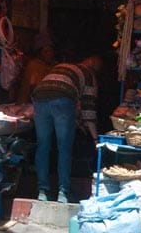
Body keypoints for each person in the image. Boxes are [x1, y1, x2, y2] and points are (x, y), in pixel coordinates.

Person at [31, 55, 102, 203]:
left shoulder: (63, 67)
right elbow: (88, 108)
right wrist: (95, 138)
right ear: (94, 67)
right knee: (64, 148)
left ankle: (42, 191)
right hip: (63, 100)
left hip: (39, 97)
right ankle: (63, 192)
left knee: (42, 146)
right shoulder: (88, 75)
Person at [17, 33, 56, 104]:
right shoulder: (33, 66)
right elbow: (26, 90)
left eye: (51, 51)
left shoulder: (55, 66)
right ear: (39, 53)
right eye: (46, 51)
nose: (49, 54)